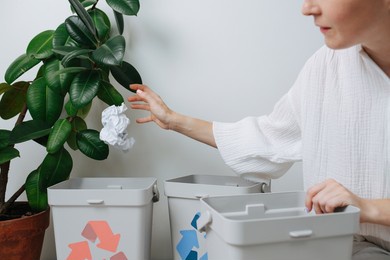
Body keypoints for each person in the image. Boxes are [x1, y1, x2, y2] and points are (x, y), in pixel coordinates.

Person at [128, 0, 390, 258]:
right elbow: (268, 139)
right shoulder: (325, 67)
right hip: (348, 247)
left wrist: (369, 208)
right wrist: (173, 120)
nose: (307, 8)